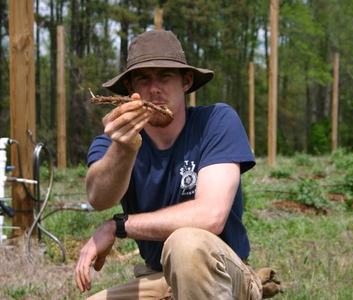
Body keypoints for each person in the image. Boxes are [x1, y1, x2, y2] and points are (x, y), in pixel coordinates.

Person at [75, 29, 266, 300]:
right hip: (158, 279)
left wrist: (118, 226)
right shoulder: (114, 142)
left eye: (165, 76)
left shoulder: (215, 122)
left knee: (186, 242)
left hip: (222, 276)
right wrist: (124, 148)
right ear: (132, 90)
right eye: (143, 79)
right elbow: (98, 198)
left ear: (186, 81)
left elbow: (211, 215)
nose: (154, 89)